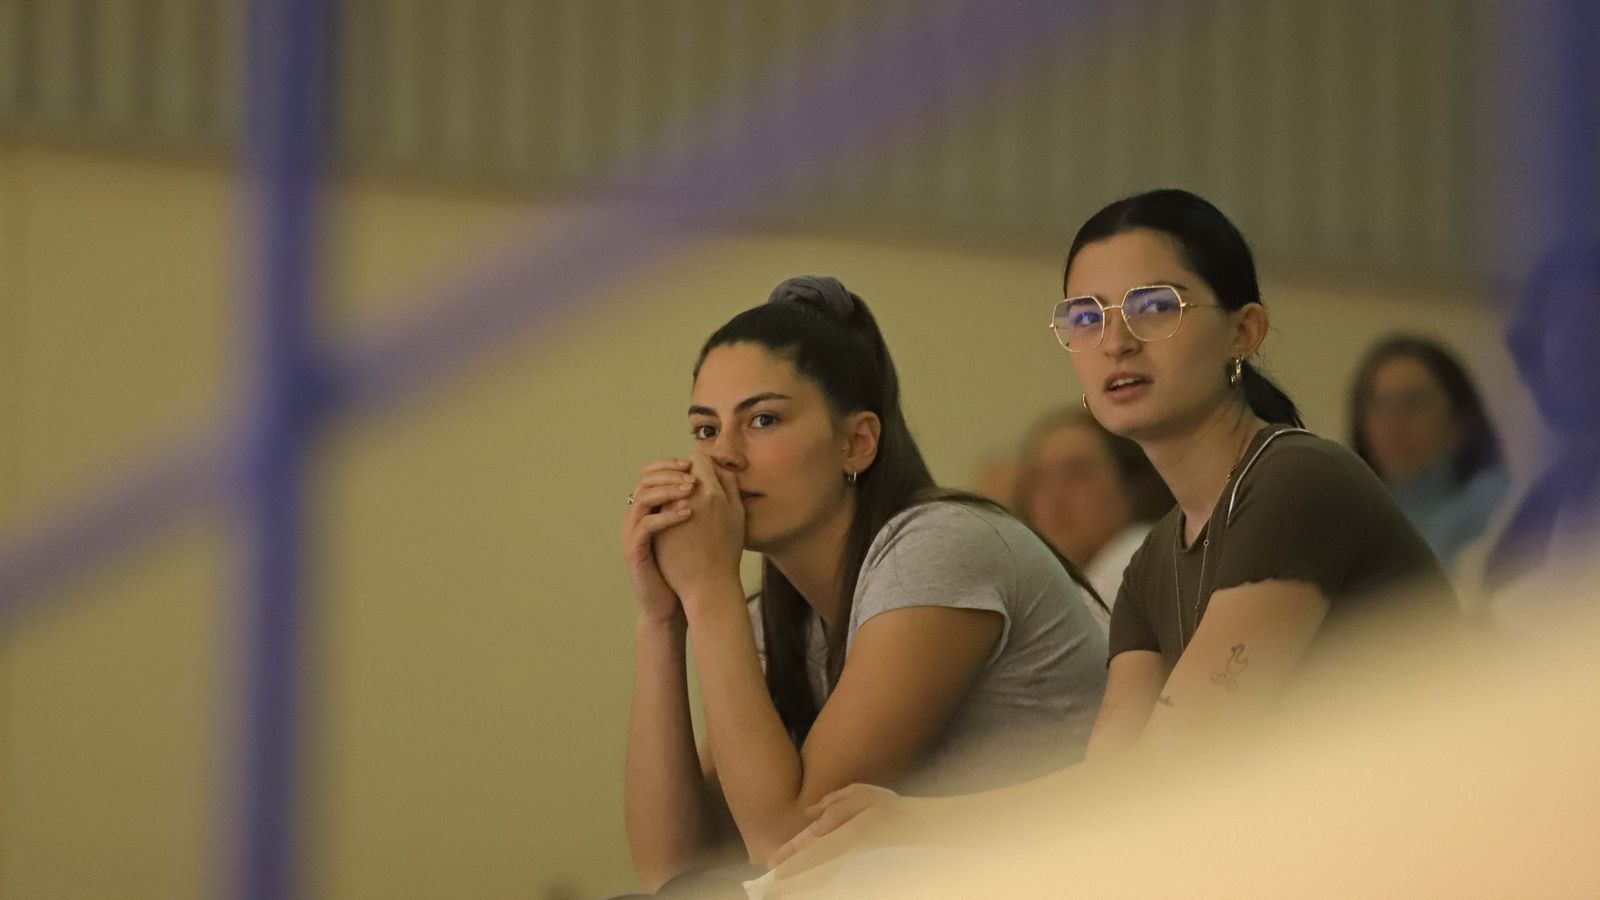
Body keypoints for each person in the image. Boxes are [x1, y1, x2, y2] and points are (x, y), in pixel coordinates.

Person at [767, 189, 1459, 879]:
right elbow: (1108, 793)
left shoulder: (1295, 480)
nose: (1116, 341)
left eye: (1155, 307)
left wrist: (914, 820)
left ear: (1245, 331)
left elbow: (1166, 777)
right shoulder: (1151, 561)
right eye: (1085, 317)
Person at [620, 276, 1109, 894]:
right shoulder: (777, 617)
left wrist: (710, 590)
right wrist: (660, 619)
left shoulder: (938, 547)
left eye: (763, 420)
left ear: (857, 442)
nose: (723, 459)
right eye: (705, 430)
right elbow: (675, 870)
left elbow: (791, 844)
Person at [1348, 335, 1509, 570]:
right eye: (1379, 404)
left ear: (1460, 420)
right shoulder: (1350, 517)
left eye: (1413, 403)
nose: (1393, 423)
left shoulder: (1497, 510)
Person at [1013, 406, 1174, 607]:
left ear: (1131, 487)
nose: (1054, 497)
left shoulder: (1140, 559)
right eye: (1040, 479)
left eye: (1077, 474)